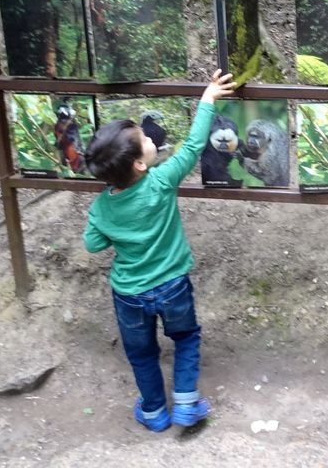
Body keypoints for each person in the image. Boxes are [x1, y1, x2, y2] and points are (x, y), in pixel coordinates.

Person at [83, 69, 236, 432]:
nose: (152, 140)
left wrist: (115, 230)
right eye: (146, 141)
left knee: (141, 354)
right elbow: (195, 145)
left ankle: (154, 412)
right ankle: (185, 403)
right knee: (185, 338)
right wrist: (207, 99)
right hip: (173, 285)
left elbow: (92, 244)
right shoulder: (162, 181)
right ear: (139, 164)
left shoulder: (102, 208)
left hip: (129, 295)